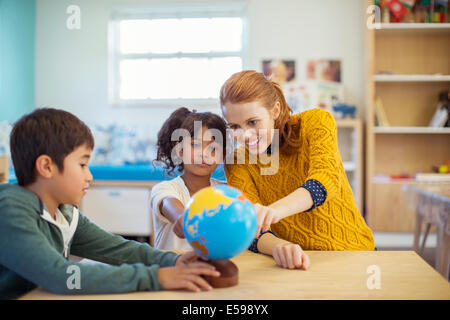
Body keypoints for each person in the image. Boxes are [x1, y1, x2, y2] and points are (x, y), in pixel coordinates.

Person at [0, 108, 220, 300]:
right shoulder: (11, 210)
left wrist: (173, 260)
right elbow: (63, 276)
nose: (89, 176)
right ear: (46, 166)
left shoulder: (64, 213)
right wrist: (157, 277)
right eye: (83, 164)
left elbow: (119, 250)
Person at [220, 70, 375, 251]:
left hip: (355, 252)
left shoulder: (315, 122)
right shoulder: (237, 161)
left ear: (275, 110)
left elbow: (325, 181)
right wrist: (280, 247)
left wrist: (274, 211)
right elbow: (252, 230)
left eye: (253, 122)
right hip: (297, 264)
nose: (245, 135)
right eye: (234, 126)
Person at [150, 107, 310, 270]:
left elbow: (251, 230)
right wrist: (182, 219)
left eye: (213, 148)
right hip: (172, 273)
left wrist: (279, 246)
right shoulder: (166, 189)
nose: (204, 154)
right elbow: (171, 207)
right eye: (195, 145)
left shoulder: (228, 192)